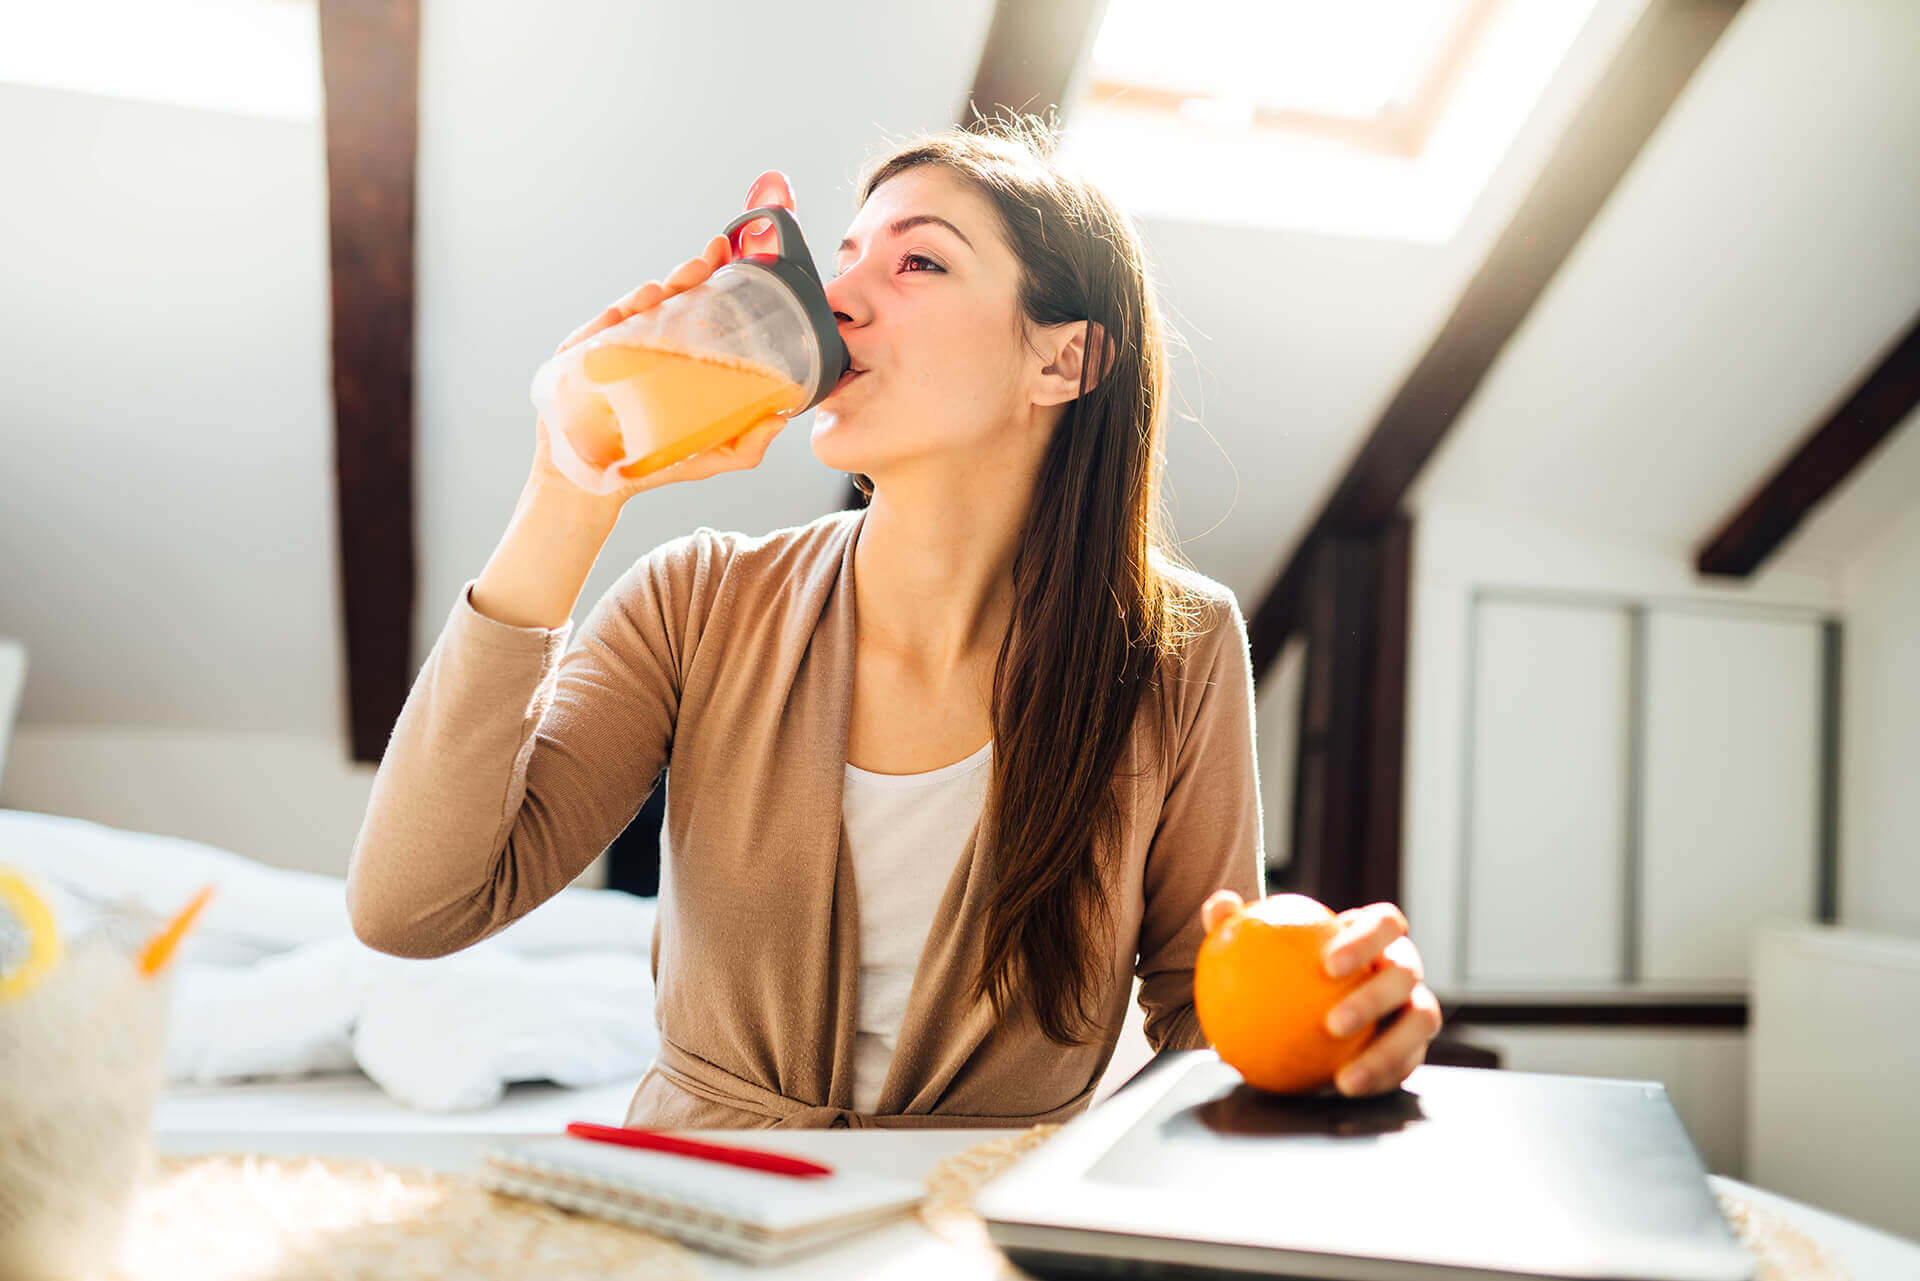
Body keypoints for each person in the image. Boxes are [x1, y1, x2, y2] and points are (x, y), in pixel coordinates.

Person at [346, 115, 1441, 1129]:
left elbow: (1207, 1022)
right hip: (704, 1219)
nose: (839, 302)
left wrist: (1342, 1030)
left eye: (917, 261)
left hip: (972, 1234)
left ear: (1065, 359)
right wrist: (571, 488)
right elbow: (412, 908)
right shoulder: (696, 604)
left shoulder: (1177, 650)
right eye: (844, 261)